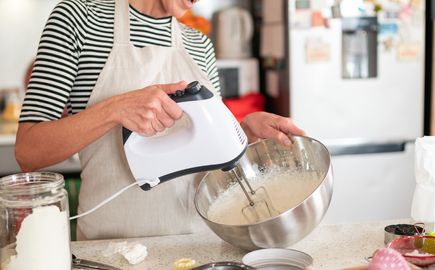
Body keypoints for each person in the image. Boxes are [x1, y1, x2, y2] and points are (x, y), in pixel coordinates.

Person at [15, 0, 304, 240]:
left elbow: (211, 158)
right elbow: (29, 152)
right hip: (110, 253)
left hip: (196, 247)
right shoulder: (79, 20)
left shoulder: (200, 45)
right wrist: (115, 109)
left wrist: (243, 132)